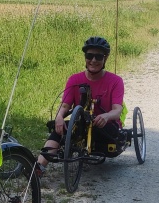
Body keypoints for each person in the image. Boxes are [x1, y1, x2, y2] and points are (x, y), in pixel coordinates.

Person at [36, 36, 125, 175]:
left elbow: (117, 110)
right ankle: (39, 168)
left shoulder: (115, 81)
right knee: (58, 129)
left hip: (104, 126)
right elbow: (65, 106)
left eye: (98, 57)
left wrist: (106, 116)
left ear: (105, 59)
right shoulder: (74, 79)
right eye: (90, 56)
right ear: (85, 57)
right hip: (82, 124)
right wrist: (59, 117)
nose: (93, 60)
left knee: (96, 126)